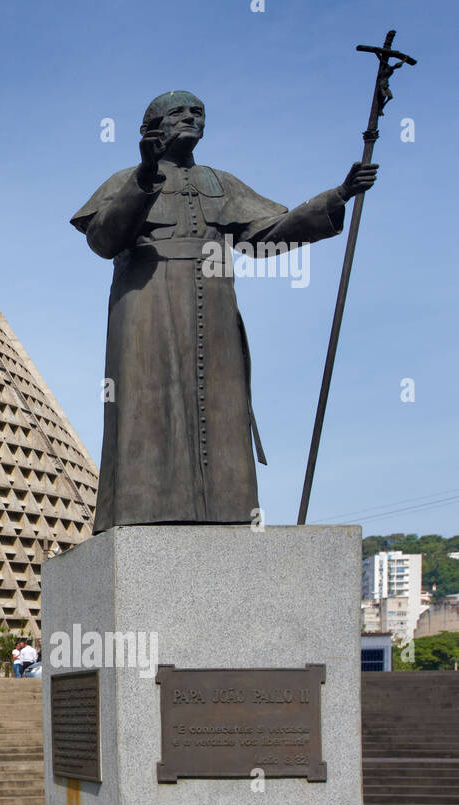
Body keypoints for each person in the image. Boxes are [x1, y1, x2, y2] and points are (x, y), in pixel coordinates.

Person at [71, 90, 376, 532]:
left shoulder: (220, 182)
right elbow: (103, 242)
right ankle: (139, 511)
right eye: (179, 112)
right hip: (145, 305)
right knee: (146, 402)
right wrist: (145, 175)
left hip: (214, 305)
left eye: (199, 112)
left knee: (222, 403)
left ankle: (228, 511)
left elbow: (270, 234)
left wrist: (338, 196)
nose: (191, 118)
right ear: (152, 125)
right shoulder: (127, 179)